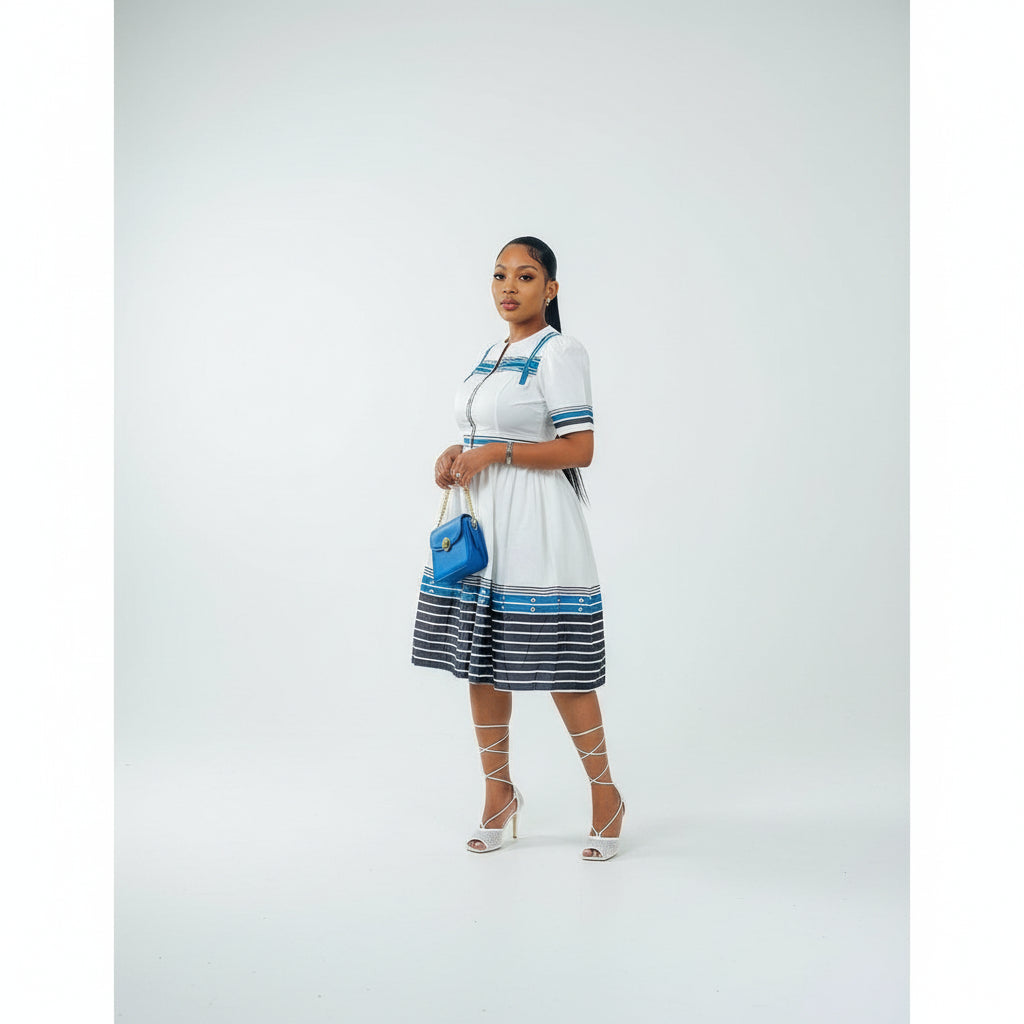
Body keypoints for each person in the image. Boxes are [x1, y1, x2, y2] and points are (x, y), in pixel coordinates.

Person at [411, 235, 625, 861]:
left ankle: (606, 795)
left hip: (537, 521)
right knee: (480, 659)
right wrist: (456, 453)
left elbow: (580, 449)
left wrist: (495, 453)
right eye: (500, 275)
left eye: (526, 276)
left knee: (561, 663)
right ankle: (498, 794)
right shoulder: (492, 354)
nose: (509, 287)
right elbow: (481, 431)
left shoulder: (561, 351)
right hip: (484, 519)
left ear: (550, 289)